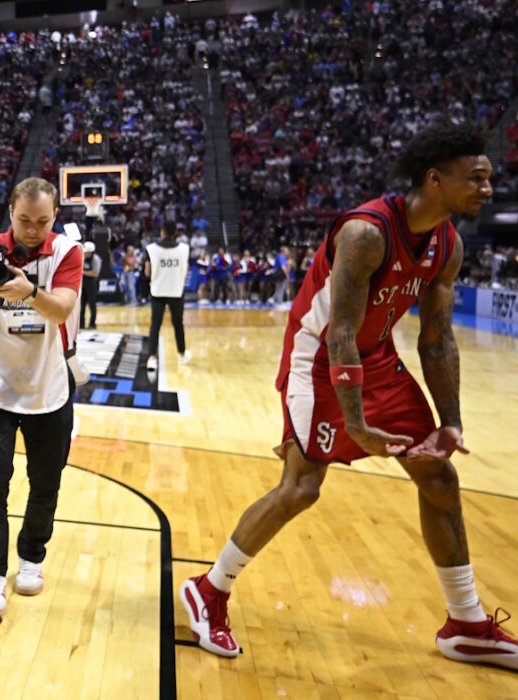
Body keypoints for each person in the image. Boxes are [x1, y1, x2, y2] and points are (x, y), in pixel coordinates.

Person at [180, 123, 518, 670]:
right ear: (435, 179)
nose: (488, 188)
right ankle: (208, 590)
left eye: (488, 178)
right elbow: (339, 332)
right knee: (302, 487)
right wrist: (356, 423)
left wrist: (450, 422)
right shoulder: (367, 233)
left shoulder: (448, 245)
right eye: (476, 178)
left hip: (377, 357)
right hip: (318, 359)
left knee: (438, 475)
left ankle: (466, 623)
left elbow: (437, 339)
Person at [0, 177, 83, 619]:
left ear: (55, 216)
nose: (33, 230)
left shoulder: (67, 252)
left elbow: (63, 308)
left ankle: (31, 556)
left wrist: (31, 293)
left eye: (42, 221)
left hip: (48, 388)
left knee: (46, 482)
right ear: (10, 212)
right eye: (24, 220)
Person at [144, 220, 190, 370]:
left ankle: (152, 358)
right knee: (178, 323)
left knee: (155, 325)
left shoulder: (151, 249)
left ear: (162, 231)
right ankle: (182, 354)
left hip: (157, 291)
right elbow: (185, 269)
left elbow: (147, 272)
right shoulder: (184, 249)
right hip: (176, 291)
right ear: (175, 233)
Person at [79, 240, 101, 329]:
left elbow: (95, 273)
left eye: (87, 252)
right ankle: (81, 324)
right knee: (81, 305)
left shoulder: (96, 259)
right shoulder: (82, 257)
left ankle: (92, 324)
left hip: (92, 284)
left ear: (92, 252)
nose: (86, 254)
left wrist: (82, 272)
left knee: (92, 305)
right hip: (83, 283)